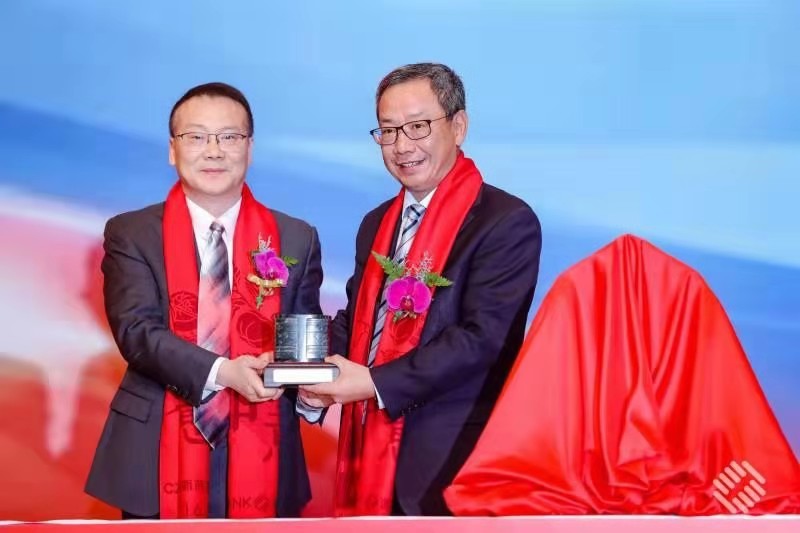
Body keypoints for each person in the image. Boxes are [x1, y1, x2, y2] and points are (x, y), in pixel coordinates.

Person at [300, 63, 542, 516]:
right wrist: (301, 366)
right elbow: (358, 323)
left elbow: (482, 339)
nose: (401, 145)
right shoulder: (377, 223)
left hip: (450, 464)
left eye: (417, 126)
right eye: (388, 130)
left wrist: (372, 383)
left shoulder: (505, 221)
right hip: (368, 450)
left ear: (459, 126)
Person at [85, 82, 323, 519]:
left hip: (265, 443)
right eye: (196, 136)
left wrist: (309, 388)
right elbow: (136, 332)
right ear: (172, 150)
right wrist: (224, 373)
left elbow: (302, 336)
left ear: (249, 148)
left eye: (229, 137)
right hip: (155, 448)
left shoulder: (295, 237)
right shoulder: (131, 233)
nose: (214, 151)